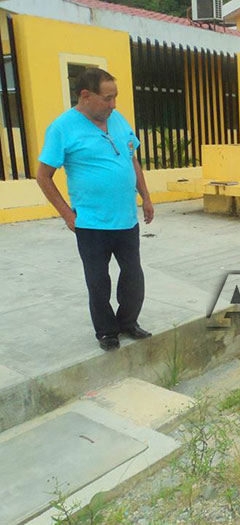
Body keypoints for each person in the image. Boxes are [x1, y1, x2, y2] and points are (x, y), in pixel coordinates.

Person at [36, 68, 154, 351]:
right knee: (98, 281)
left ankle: (128, 322)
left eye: (115, 97)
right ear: (86, 96)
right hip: (91, 224)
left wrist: (146, 197)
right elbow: (43, 176)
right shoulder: (62, 128)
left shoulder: (117, 119)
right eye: (107, 98)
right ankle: (107, 332)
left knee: (133, 277)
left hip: (126, 219)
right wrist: (68, 215)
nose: (113, 104)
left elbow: (132, 159)